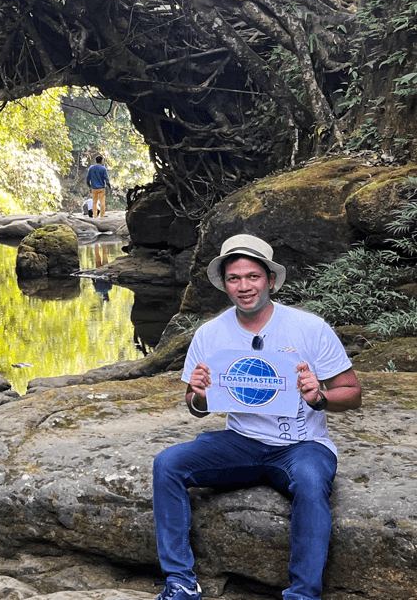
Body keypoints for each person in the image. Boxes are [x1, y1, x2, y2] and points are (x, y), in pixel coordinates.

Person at [151, 234, 362, 600]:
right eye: (234, 278)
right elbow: (194, 405)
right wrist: (199, 396)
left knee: (311, 483)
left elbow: (353, 394)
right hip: (242, 443)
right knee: (167, 464)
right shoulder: (209, 334)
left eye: (253, 276)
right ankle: (181, 582)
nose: (244, 287)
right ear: (224, 285)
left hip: (301, 444)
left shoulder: (309, 328)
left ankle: (302, 594)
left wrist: (320, 396)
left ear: (271, 281)